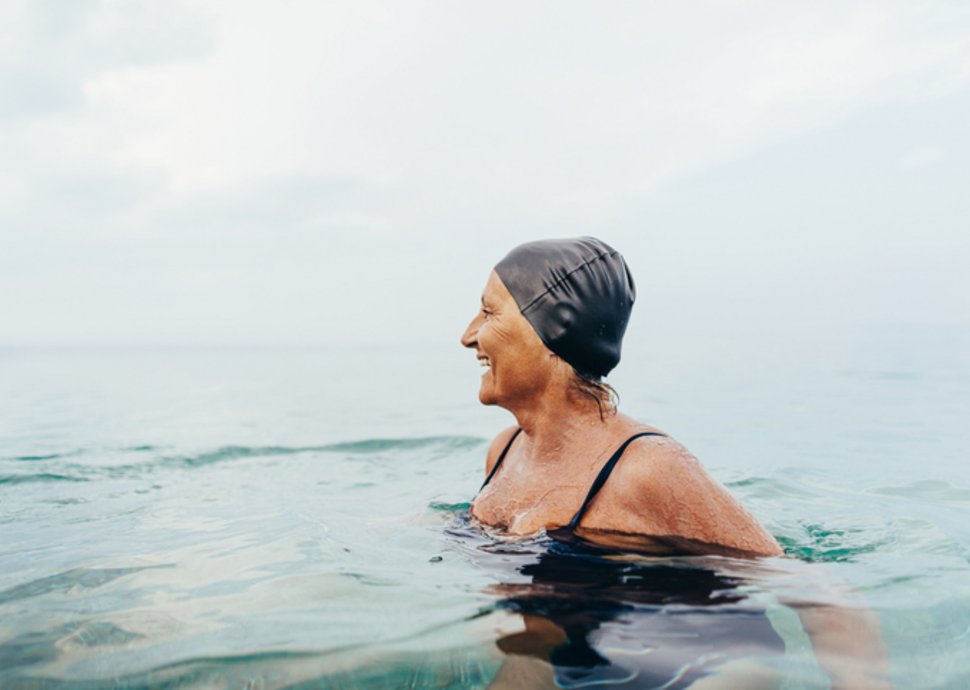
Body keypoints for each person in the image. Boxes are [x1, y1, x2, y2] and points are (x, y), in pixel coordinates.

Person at [459, 237, 893, 690]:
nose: (469, 335)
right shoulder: (505, 451)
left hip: (703, 665)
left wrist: (863, 683)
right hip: (577, 652)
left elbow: (812, 589)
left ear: (553, 330)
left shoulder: (645, 469)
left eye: (489, 313)